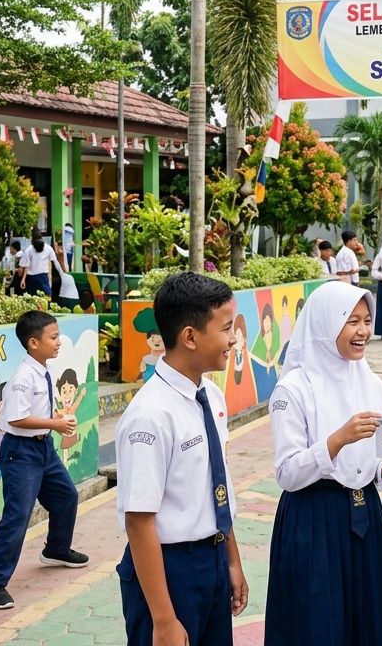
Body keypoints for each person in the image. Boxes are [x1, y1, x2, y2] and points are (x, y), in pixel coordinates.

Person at [265, 283, 382, 645]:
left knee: (367, 618)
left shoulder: (371, 382)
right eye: (351, 321)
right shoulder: (293, 389)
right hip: (313, 518)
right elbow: (287, 473)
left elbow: (365, 464)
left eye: (367, 321)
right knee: (318, 623)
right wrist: (336, 441)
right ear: (326, 324)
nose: (363, 331)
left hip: (364, 517)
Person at [114, 272, 249, 645]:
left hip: (212, 558)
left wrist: (231, 560)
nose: (233, 338)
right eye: (225, 329)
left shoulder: (209, 395)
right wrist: (163, 620)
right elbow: (139, 520)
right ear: (190, 337)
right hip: (168, 569)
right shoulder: (150, 416)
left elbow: (216, 486)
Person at [0, 311, 88, 610]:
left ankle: (56, 550)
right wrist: (56, 424)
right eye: (53, 337)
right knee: (18, 516)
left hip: (44, 448)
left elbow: (34, 410)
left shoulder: (43, 370)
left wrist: (53, 419)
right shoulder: (23, 377)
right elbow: (15, 418)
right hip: (21, 452)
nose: (59, 342)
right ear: (33, 343)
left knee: (66, 496)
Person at [19, 230, 62, 297]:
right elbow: (55, 262)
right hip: (43, 277)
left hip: (31, 279)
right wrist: (62, 273)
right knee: (46, 297)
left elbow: (26, 266)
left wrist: (23, 279)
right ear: (42, 238)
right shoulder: (48, 248)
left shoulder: (29, 249)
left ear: (32, 239)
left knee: (31, 298)